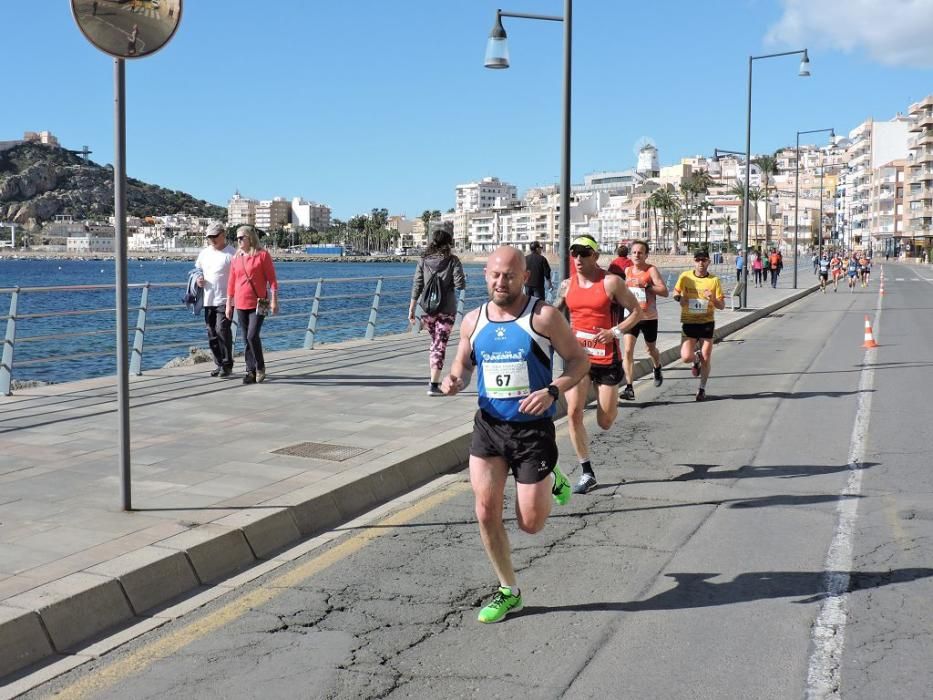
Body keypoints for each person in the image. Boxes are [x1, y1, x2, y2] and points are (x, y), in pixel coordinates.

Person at [441, 246, 589, 623]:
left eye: (509, 275)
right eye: (494, 274)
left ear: (525, 276)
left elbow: (578, 360)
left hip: (532, 434)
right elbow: (463, 360)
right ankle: (510, 591)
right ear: (485, 276)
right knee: (485, 509)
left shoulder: (543, 317)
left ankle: (551, 472)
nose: (500, 282)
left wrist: (553, 390)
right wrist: (455, 377)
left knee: (531, 524)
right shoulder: (473, 320)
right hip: (490, 427)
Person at [553, 235, 643, 494]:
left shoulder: (611, 282)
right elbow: (553, 313)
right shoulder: (567, 285)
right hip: (578, 358)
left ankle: (612, 404)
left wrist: (614, 332)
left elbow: (636, 311)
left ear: (595, 255)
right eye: (575, 254)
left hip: (606, 359)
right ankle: (587, 471)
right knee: (573, 412)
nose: (578, 259)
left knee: (605, 421)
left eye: (584, 253)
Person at [408, 229, 466, 396]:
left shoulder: (423, 260)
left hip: (427, 309)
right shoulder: (453, 261)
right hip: (447, 310)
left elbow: (417, 285)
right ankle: (433, 384)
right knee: (439, 345)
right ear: (448, 243)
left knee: (435, 342)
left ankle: (434, 379)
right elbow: (460, 284)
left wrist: (411, 308)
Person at [226, 225, 278, 384]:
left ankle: (260, 367)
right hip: (241, 302)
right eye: (237, 238)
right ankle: (250, 371)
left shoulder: (262, 255)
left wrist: (274, 300)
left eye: (242, 237)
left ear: (250, 238)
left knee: (252, 335)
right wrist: (229, 303)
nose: (239, 241)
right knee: (245, 338)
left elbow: (272, 280)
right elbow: (231, 282)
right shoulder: (236, 257)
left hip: (260, 302)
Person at [673, 250, 725, 402]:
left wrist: (713, 299)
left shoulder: (714, 280)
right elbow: (675, 292)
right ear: (694, 261)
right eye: (698, 260)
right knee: (685, 357)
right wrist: (679, 298)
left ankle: (702, 389)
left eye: (704, 260)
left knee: (707, 357)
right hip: (689, 322)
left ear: (709, 262)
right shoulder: (685, 276)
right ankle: (695, 359)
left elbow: (721, 305)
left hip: (706, 323)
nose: (701, 263)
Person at [620, 240, 668, 401]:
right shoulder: (627, 271)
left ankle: (657, 366)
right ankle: (629, 387)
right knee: (627, 350)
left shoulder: (651, 270)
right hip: (631, 316)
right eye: (634, 252)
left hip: (649, 317)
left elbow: (664, 291)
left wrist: (647, 287)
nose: (636, 255)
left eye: (640, 252)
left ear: (646, 255)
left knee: (650, 350)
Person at [196, 223, 235, 377]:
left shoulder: (232, 253)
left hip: (225, 299)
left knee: (222, 330)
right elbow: (197, 270)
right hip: (208, 299)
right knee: (211, 332)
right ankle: (219, 364)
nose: (211, 239)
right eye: (209, 237)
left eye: (214, 236)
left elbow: (238, 275)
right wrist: (198, 278)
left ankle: (227, 364)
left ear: (222, 234)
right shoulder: (204, 253)